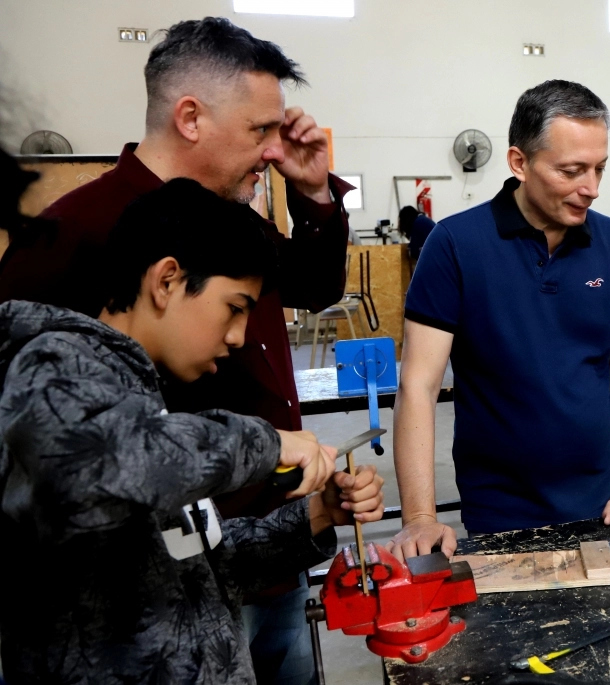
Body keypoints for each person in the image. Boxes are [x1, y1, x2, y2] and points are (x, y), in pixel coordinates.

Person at [0, 18, 352, 685]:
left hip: (235, 542)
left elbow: (314, 284)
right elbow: (83, 458)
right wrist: (261, 441)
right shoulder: (68, 237)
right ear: (191, 117)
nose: (271, 150)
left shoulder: (233, 220)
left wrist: (312, 194)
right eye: (259, 130)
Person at [389, 80, 610, 557]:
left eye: (599, 169)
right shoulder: (456, 245)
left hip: (604, 503)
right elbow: (419, 384)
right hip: (499, 512)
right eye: (572, 171)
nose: (591, 189)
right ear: (519, 162)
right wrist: (419, 518)